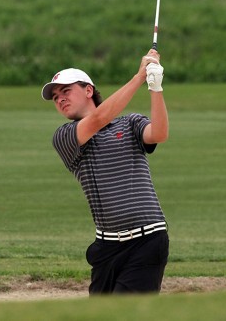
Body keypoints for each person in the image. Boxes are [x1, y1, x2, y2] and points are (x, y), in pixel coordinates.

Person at [41, 49, 169, 294]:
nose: (60, 99)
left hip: (148, 239)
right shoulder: (65, 136)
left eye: (66, 91)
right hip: (106, 246)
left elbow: (159, 133)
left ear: (88, 90)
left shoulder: (129, 123)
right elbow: (98, 118)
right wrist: (138, 77)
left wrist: (156, 88)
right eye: (56, 97)